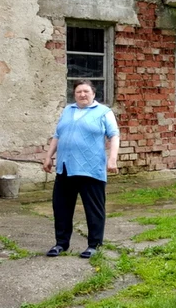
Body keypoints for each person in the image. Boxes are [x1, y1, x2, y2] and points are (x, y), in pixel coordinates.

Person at [43, 79, 120, 259]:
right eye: (79, 92)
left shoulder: (103, 112)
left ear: (93, 93)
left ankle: (94, 245)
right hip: (65, 168)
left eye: (86, 91)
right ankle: (61, 243)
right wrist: (48, 156)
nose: (82, 95)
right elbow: (57, 135)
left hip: (91, 169)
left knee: (93, 209)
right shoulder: (68, 110)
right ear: (74, 94)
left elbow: (114, 135)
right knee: (61, 208)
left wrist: (113, 158)